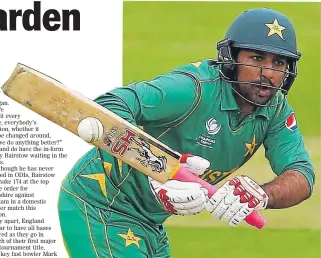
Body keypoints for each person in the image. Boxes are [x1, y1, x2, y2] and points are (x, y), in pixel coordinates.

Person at [58, 7, 315, 258]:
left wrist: (262, 195)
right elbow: (109, 104)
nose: (268, 73)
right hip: (99, 204)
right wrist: (157, 168)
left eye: (279, 63)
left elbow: (302, 175)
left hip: (149, 223)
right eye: (257, 59)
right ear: (231, 58)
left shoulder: (276, 110)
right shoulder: (192, 89)